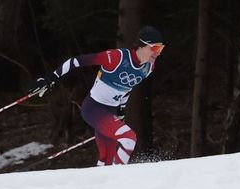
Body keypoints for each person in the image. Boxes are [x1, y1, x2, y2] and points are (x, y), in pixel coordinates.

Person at [32, 25, 165, 165]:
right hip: (94, 108)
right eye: (155, 48)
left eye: (161, 49)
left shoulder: (148, 68)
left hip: (111, 112)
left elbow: (127, 88)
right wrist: (50, 79)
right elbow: (75, 61)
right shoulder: (117, 57)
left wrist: (120, 112)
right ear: (141, 45)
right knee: (129, 139)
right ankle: (118, 175)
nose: (158, 53)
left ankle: (101, 178)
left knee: (106, 160)